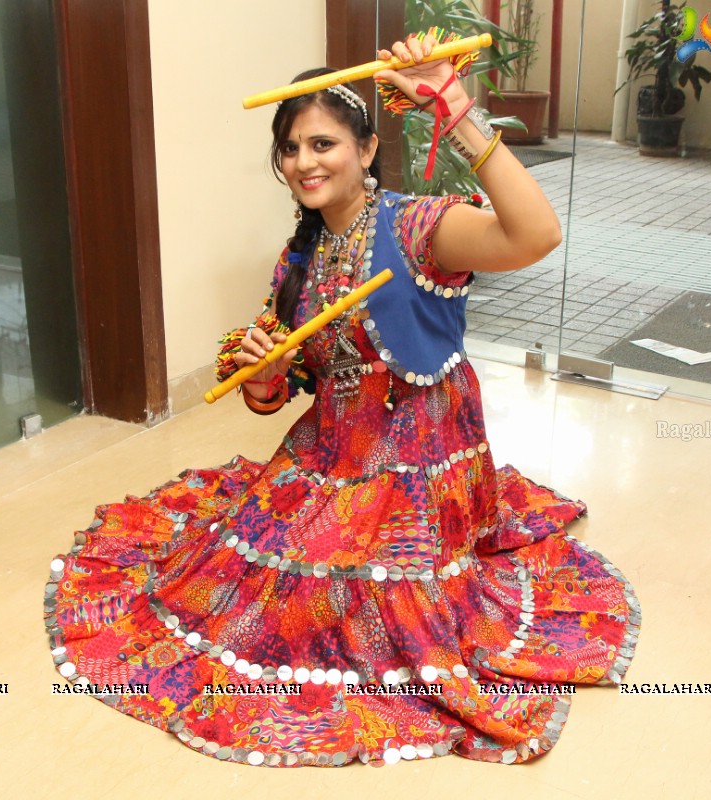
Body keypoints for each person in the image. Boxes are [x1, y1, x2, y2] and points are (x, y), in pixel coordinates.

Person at [44, 33, 639, 768]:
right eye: (290, 149)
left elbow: (536, 234)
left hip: (421, 451)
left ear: (366, 147)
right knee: (244, 567)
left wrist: (455, 107)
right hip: (331, 446)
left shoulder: (418, 227)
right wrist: (267, 366)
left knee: (370, 594)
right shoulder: (298, 260)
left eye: (323, 143)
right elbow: (275, 395)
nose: (304, 163)